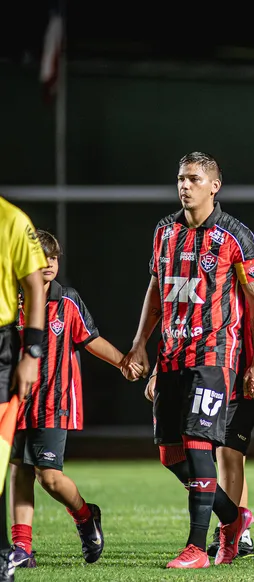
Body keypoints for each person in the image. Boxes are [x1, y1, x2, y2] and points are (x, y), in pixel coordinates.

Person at [121, 152, 254, 568]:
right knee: (171, 454)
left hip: (213, 356)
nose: (184, 185)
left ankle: (195, 548)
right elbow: (156, 293)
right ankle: (233, 518)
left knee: (199, 444)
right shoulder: (164, 233)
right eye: (181, 179)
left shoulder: (235, 236)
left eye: (193, 179)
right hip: (171, 357)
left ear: (214, 186)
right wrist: (140, 345)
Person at [9, 230, 129, 568]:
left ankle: (84, 514)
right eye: (41, 257)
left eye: (54, 257)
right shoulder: (11, 299)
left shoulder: (67, 300)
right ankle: (22, 546)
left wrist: (123, 362)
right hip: (18, 399)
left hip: (55, 399)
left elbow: (91, 340)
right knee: (19, 469)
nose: (48, 263)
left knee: (48, 476)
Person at [147, 280, 254, 559]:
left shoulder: (252, 279)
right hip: (198, 371)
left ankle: (234, 533)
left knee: (229, 454)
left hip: (243, 380)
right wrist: (157, 370)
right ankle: (232, 519)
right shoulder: (198, 277)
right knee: (176, 455)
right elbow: (176, 324)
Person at [0, 196, 47, 582]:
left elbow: (34, 285)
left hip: (1, 347)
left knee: (1, 459)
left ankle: (3, 553)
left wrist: (31, 352)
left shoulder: (13, 220)